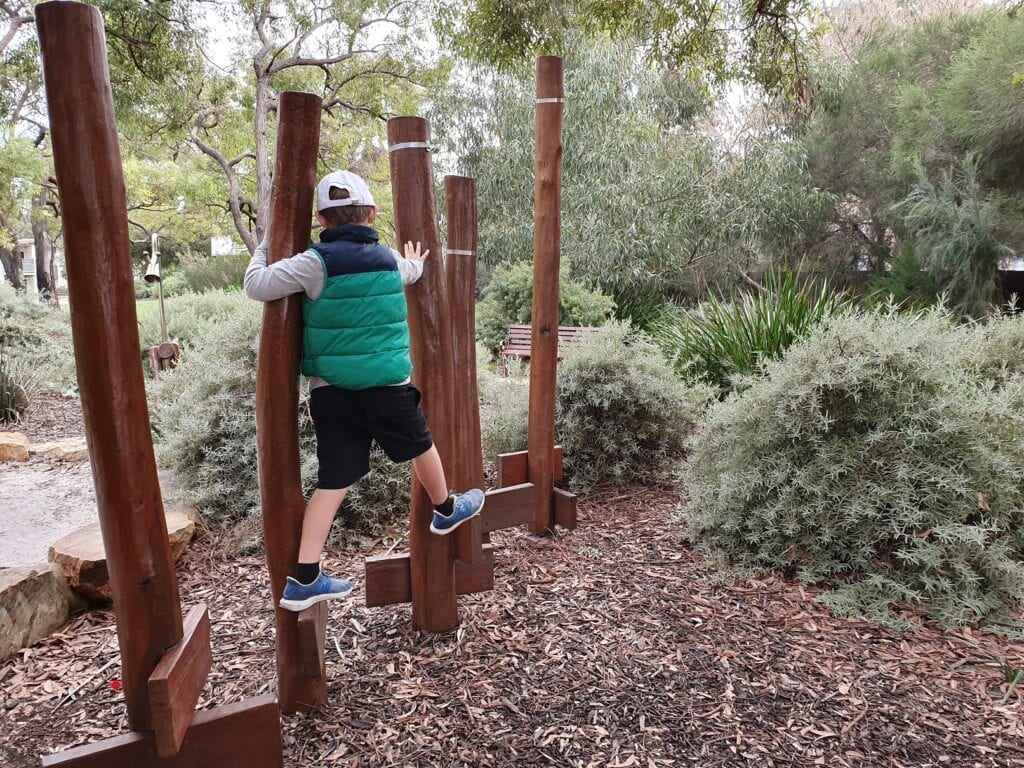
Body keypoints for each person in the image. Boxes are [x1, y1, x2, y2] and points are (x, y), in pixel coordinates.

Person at [244, 170, 485, 612]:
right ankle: (446, 508)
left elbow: (256, 285)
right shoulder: (390, 259)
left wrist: (266, 246)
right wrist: (417, 260)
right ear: (372, 214)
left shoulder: (313, 263)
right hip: (387, 386)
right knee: (419, 444)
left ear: (321, 219)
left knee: (333, 480)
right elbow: (413, 271)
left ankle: (305, 577)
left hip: (332, 392)